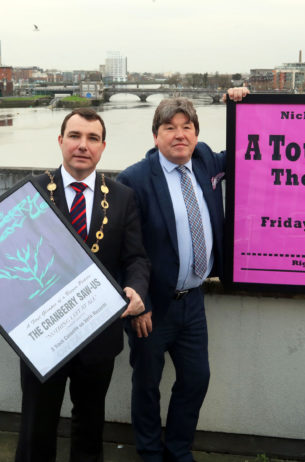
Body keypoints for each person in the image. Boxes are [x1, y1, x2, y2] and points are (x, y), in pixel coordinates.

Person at [117, 88, 248, 462]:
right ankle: (149, 453)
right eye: (170, 127)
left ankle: (177, 450)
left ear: (196, 133)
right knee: (147, 385)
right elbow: (127, 250)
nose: (180, 135)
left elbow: (244, 152)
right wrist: (138, 304)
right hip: (151, 307)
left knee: (196, 380)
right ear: (155, 135)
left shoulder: (205, 161)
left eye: (187, 127)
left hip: (193, 302)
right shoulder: (135, 179)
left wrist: (241, 103)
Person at [15, 108, 150, 462]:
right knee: (35, 427)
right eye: (74, 136)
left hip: (98, 334)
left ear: (103, 147)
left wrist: (137, 289)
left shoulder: (122, 197)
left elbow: (136, 257)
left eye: (92, 138)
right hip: (41, 336)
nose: (82, 145)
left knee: (90, 427)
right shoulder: (30, 192)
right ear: (60, 141)